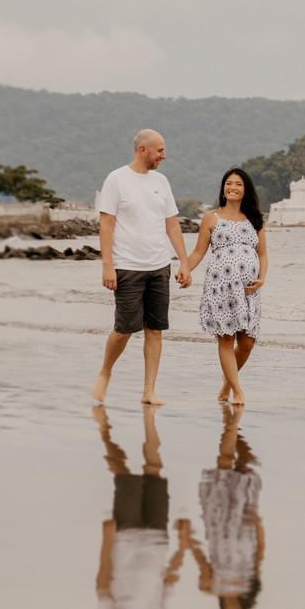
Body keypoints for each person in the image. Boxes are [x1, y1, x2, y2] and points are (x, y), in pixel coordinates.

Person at [91, 129, 192, 406]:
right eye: (160, 150)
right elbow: (106, 225)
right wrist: (107, 266)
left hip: (159, 266)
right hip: (127, 267)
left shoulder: (161, 181)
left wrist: (184, 261)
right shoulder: (116, 179)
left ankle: (149, 390)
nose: (164, 155)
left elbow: (172, 224)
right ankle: (105, 371)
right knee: (124, 329)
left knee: (155, 329)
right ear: (143, 150)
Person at [93, 405, 187, 609]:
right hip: (157, 535)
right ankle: (149, 421)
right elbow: (171, 577)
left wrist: (106, 538)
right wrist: (182, 543)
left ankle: (104, 429)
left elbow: (102, 578)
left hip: (127, 535)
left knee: (123, 474)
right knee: (153, 469)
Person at [187, 167, 267, 405]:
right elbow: (199, 252)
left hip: (249, 290)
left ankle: (226, 384)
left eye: (238, 184)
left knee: (247, 343)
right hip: (220, 286)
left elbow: (262, 254)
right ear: (223, 188)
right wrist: (183, 269)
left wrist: (262, 278)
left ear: (246, 190)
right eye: (228, 183)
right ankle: (237, 391)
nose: (232, 187)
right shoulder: (211, 217)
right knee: (226, 339)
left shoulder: (255, 219)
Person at [181, 403, 264, 609]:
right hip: (244, 527)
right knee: (244, 467)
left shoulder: (211, 587)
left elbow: (201, 559)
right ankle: (234, 419)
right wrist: (258, 524)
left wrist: (187, 539)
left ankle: (232, 421)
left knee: (224, 466)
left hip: (220, 524)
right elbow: (259, 556)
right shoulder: (249, 585)